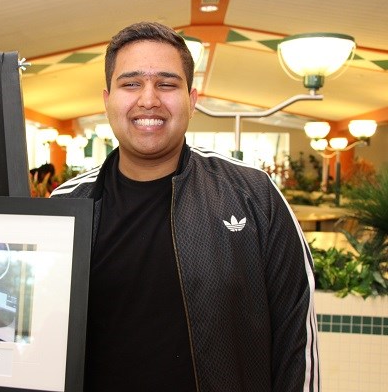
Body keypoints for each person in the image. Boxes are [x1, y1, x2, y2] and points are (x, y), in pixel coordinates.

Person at [51, 22, 319, 391]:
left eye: (166, 84)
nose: (149, 99)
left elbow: (297, 343)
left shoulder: (254, 195)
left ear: (192, 100)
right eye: (130, 84)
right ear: (107, 99)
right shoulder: (68, 205)